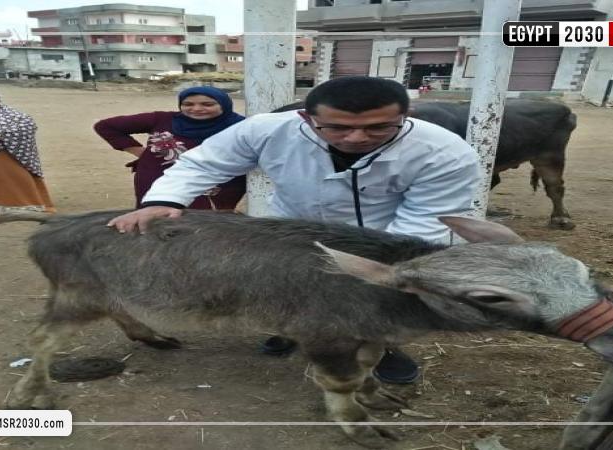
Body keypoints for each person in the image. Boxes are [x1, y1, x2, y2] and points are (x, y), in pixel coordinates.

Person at [108, 76, 481, 384]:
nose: (356, 138)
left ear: (406, 114)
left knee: (375, 300)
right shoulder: (266, 130)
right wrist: (166, 201)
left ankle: (382, 348)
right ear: (305, 117)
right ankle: (290, 330)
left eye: (378, 127)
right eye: (337, 127)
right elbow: (203, 164)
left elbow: (428, 219)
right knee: (285, 285)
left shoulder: (443, 151)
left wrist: (385, 270)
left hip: (384, 237)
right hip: (293, 227)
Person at [94, 86, 246, 209]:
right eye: (188, 104)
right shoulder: (162, 119)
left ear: (223, 105)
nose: (196, 109)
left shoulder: (242, 126)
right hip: (158, 181)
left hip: (214, 185)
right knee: (158, 223)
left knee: (205, 227)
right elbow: (106, 126)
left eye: (207, 104)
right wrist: (142, 153)